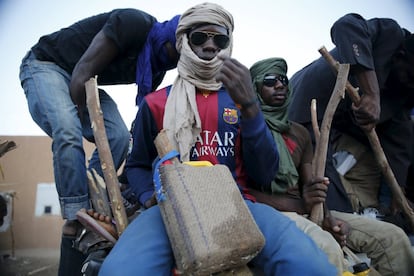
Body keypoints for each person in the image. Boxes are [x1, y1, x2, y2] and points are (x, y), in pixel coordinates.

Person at [99, 3, 336, 275]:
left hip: (238, 204)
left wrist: (250, 107)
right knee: (119, 271)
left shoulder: (242, 100)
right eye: (200, 37)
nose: (210, 46)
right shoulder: (155, 103)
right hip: (172, 210)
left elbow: (265, 172)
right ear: (183, 42)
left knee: (310, 265)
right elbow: (137, 165)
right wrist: (149, 196)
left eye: (220, 39)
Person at [19, 8, 180, 276]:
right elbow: (82, 72)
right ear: (170, 37)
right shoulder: (134, 24)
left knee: (117, 136)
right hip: (47, 66)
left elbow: (141, 122)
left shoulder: (156, 65)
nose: (177, 59)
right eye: (179, 48)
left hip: (81, 79)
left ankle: (91, 203)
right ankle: (76, 213)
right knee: (68, 131)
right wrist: (82, 119)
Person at [249, 57, 414, 275]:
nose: (280, 85)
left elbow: (311, 188)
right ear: (255, 88)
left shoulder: (299, 132)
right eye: (270, 80)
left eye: (283, 79)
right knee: (327, 249)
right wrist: (301, 206)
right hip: (273, 215)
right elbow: (244, 194)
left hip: (307, 212)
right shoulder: (244, 130)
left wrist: (327, 218)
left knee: (394, 239)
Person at [288, 13, 414, 216]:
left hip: (345, 131)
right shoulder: (389, 35)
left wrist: (396, 194)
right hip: (310, 107)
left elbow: (399, 144)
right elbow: (346, 26)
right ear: (400, 57)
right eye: (411, 76)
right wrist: (371, 93)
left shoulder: (404, 95)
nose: (411, 85)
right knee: (328, 196)